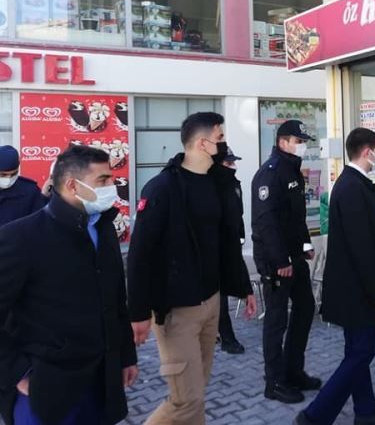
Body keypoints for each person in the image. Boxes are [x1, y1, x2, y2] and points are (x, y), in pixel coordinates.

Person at [126, 112, 256, 425]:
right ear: (202, 143)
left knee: (197, 392)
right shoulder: (162, 188)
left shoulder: (218, 183)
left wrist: (243, 287)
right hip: (176, 312)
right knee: (186, 400)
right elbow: (139, 254)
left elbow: (228, 241)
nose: (224, 144)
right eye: (220, 138)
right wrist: (138, 313)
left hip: (211, 303)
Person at [0, 145, 138, 425]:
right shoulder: (21, 237)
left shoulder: (104, 228)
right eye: (103, 180)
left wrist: (125, 356)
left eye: (111, 178)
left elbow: (115, 299)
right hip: (47, 389)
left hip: (100, 381)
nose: (112, 187)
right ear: (73, 185)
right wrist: (17, 372)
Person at [295, 128, 375, 425]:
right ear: (367, 152)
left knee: (357, 351)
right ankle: (314, 416)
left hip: (352, 289)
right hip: (358, 291)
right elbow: (362, 246)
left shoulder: (352, 183)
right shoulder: (353, 187)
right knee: (361, 353)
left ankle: (366, 412)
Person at [252, 120, 319, 404]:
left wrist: (305, 245)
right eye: (298, 140)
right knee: (276, 320)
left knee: (305, 309)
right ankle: (275, 382)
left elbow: (296, 217)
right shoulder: (269, 173)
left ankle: (293, 372)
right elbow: (265, 222)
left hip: (294, 256)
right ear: (282, 142)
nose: (302, 145)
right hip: (276, 261)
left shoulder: (293, 171)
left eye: (303, 141)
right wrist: (280, 260)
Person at [218, 147, 247, 355]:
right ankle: (227, 338)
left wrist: (241, 235)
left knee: (222, 294)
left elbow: (239, 214)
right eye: (228, 163)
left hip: (231, 245)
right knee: (219, 296)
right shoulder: (212, 187)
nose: (233, 166)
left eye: (233, 162)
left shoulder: (235, 185)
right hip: (216, 249)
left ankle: (217, 332)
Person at [0, 145, 47, 227]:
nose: (8, 178)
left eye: (13, 174)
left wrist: (45, 197)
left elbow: (41, 222)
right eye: (3, 175)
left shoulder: (30, 191)